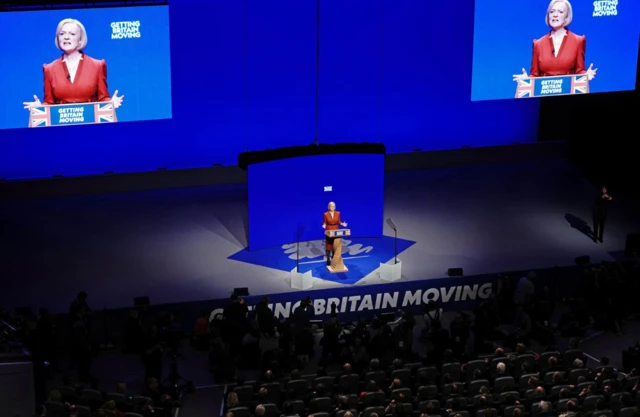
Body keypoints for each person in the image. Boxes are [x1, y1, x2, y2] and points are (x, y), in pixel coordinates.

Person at [23, 18, 124, 109]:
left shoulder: (97, 66)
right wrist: (40, 108)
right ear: (58, 39)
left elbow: (103, 99)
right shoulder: (49, 69)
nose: (66, 37)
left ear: (80, 40)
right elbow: (49, 103)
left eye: (72, 34)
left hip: (90, 124)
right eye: (62, 34)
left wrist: (111, 103)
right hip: (61, 126)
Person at [513, 0, 597, 81]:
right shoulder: (538, 44)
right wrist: (527, 80)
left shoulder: (578, 41)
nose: (555, 15)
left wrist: (585, 76)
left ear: (566, 17)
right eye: (552, 11)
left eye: (560, 12)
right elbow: (534, 75)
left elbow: (580, 71)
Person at [322, 201, 347, 266]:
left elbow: (339, 221)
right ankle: (328, 259)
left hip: (335, 229)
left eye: (333, 206)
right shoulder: (325, 214)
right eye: (331, 206)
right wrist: (324, 225)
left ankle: (334, 258)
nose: (332, 207)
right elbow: (325, 222)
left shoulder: (338, 213)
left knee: (334, 244)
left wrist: (342, 224)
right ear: (328, 207)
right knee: (329, 245)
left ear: (335, 207)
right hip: (329, 229)